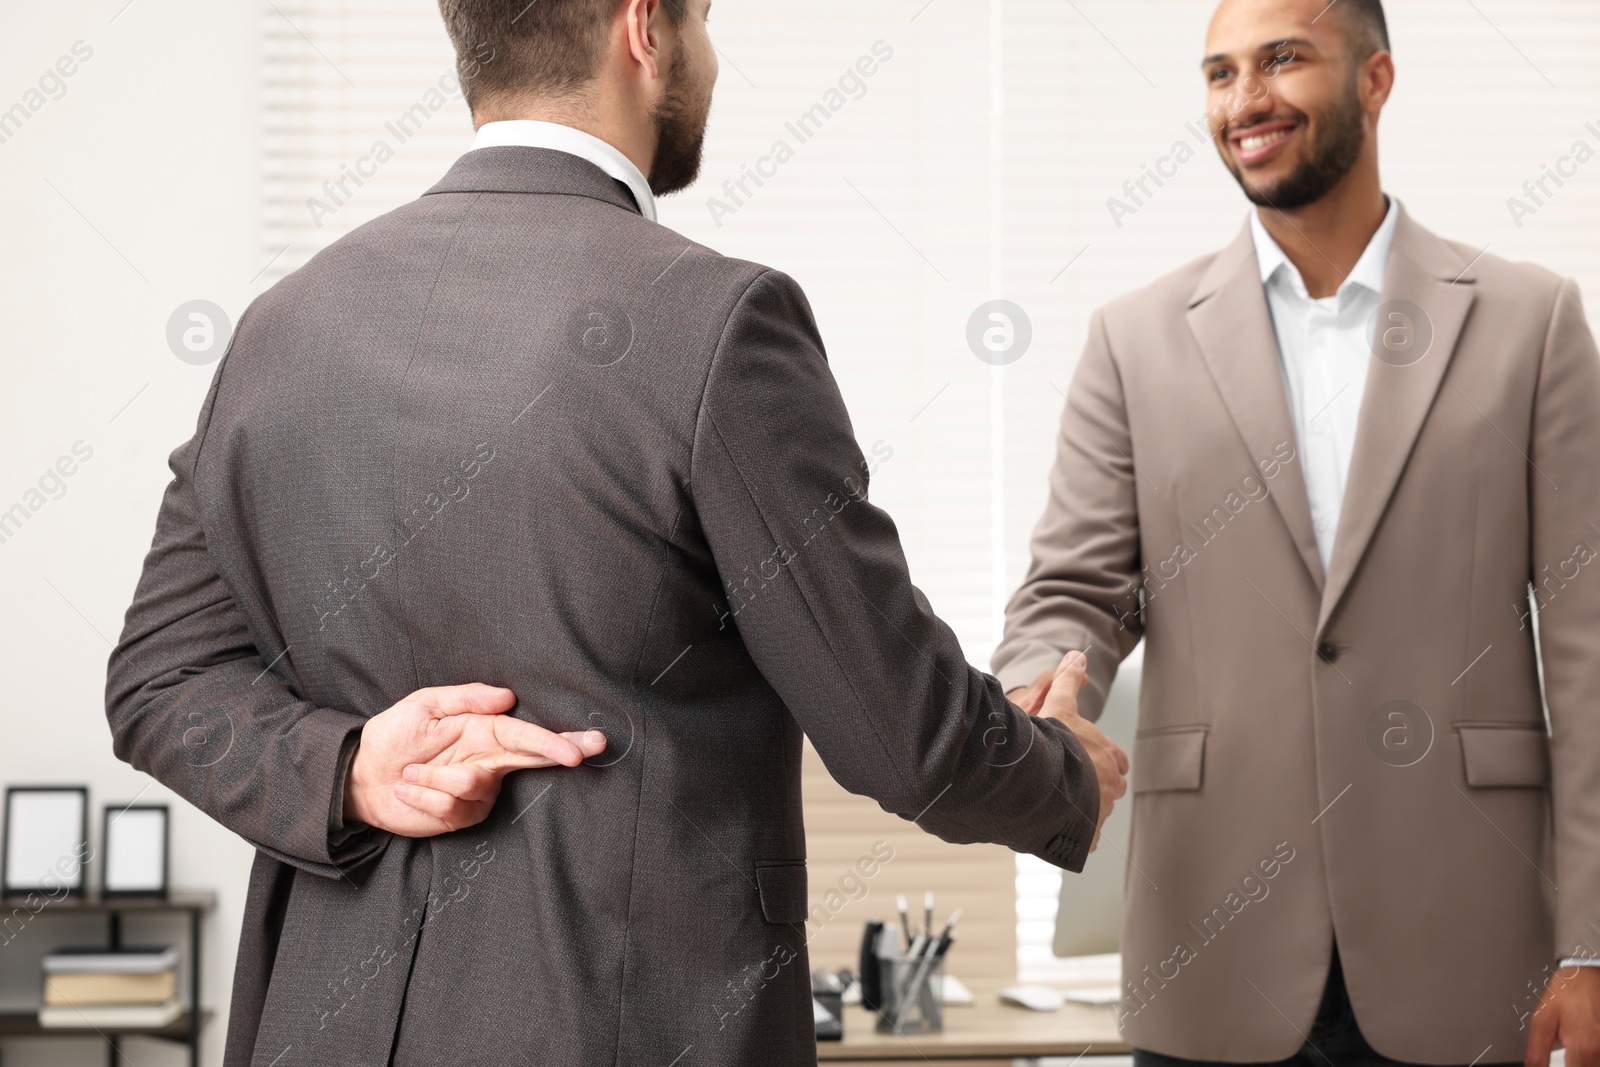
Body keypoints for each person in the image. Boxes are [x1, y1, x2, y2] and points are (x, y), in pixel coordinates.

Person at [104, 1, 1127, 1065]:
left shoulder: (281, 325)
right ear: (643, 27)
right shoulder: (716, 322)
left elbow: (157, 675)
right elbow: (898, 729)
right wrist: (1063, 774)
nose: (714, 59)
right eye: (706, 20)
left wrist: (350, 765)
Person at [994, 0, 1600, 1064]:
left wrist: (1590, 943)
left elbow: (1590, 646)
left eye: (1281, 61)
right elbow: (1074, 590)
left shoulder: (1529, 322)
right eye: (1219, 74)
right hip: (1210, 936)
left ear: (1375, 80)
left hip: (1465, 939)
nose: (1245, 101)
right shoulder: (1133, 340)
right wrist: (1044, 687)